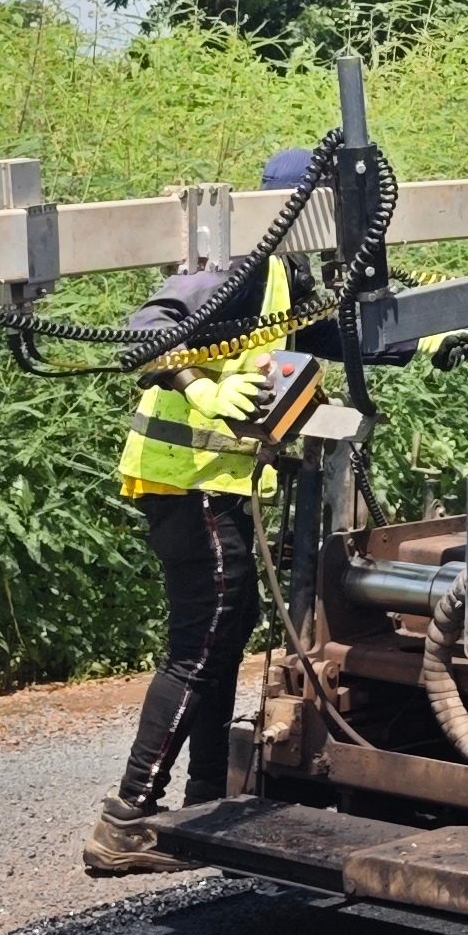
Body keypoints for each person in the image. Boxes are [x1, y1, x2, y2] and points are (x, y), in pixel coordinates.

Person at [80, 149, 313, 877]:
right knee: (201, 643)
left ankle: (205, 799)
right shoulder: (238, 265)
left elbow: (342, 334)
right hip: (189, 484)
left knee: (227, 632)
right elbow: (145, 328)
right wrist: (198, 386)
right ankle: (127, 819)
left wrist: (436, 333)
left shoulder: (288, 276)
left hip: (222, 484)